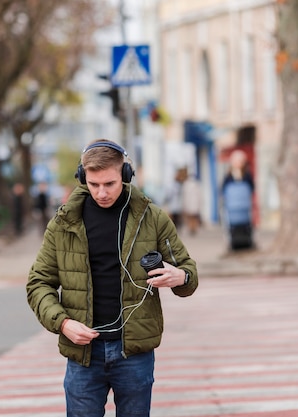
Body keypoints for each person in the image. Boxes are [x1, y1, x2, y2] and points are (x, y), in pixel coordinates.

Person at [26, 139, 198, 417]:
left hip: (134, 353)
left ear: (126, 176)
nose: (101, 192)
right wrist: (64, 323)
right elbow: (38, 284)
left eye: (110, 184)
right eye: (93, 184)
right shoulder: (63, 222)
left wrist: (180, 276)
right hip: (83, 355)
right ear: (82, 178)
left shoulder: (151, 218)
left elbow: (189, 273)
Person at [221, 149, 255, 251]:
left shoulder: (247, 175)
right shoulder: (228, 176)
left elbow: (251, 188)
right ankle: (233, 243)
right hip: (232, 207)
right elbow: (223, 189)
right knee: (230, 226)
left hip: (244, 207)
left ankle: (247, 242)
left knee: (247, 225)